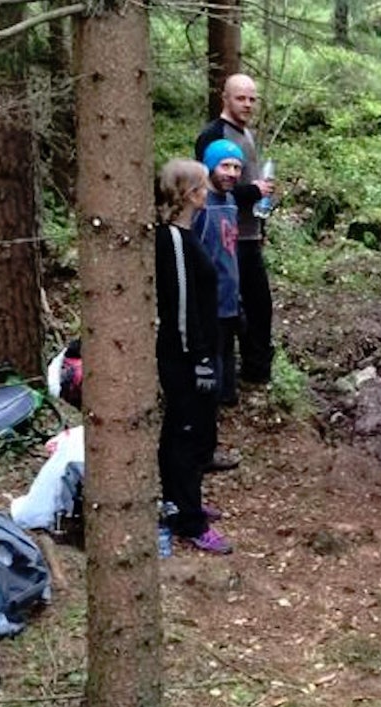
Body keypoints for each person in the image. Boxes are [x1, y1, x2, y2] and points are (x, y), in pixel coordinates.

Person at [155, 158, 233, 554]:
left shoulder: (187, 233)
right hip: (184, 357)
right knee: (185, 436)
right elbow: (180, 305)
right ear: (188, 193)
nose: (209, 190)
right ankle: (187, 520)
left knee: (191, 433)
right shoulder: (171, 239)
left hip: (196, 352)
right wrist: (199, 357)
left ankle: (184, 502)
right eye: (202, 184)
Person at [195, 73, 277, 387]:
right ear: (225, 98)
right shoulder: (214, 134)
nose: (247, 104)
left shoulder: (246, 134)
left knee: (257, 305)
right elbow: (206, 190)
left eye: (252, 99)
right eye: (241, 98)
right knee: (234, 307)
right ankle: (230, 377)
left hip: (249, 232)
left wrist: (259, 201)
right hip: (225, 237)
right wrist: (252, 192)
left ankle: (254, 371)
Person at [193, 138, 244, 472]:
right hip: (206, 308)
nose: (231, 173)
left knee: (223, 378)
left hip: (230, 304)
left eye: (237, 167)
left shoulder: (230, 203)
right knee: (206, 381)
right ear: (210, 166)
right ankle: (201, 451)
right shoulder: (201, 206)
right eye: (225, 165)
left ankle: (208, 444)